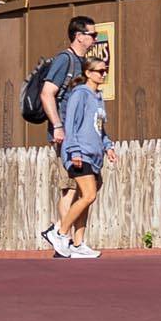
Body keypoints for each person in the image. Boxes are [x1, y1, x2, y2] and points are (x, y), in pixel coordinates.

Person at [37, 14, 99, 258]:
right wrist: (58, 126)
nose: (95, 39)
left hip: (81, 136)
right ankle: (64, 239)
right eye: (92, 35)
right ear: (79, 36)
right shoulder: (65, 60)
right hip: (66, 137)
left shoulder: (82, 63)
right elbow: (46, 93)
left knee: (80, 189)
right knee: (71, 189)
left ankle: (73, 241)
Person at [50, 52, 112, 259]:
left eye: (106, 71)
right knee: (88, 195)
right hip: (80, 153)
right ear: (88, 72)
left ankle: (78, 244)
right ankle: (58, 232)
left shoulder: (98, 97)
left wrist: (108, 146)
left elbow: (99, 128)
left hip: (94, 156)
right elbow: (71, 125)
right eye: (100, 71)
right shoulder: (80, 94)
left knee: (87, 200)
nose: (104, 74)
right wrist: (74, 151)